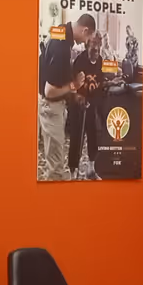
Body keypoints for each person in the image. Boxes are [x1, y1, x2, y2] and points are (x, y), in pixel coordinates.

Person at [42, 13, 104, 179]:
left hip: (60, 105)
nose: (85, 44)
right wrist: (74, 86)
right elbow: (49, 91)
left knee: (56, 158)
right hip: (52, 106)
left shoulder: (63, 35)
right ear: (85, 31)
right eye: (88, 40)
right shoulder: (62, 46)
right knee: (56, 166)